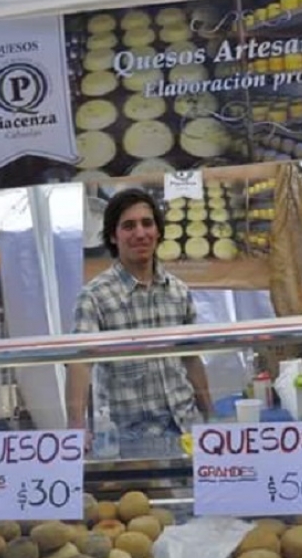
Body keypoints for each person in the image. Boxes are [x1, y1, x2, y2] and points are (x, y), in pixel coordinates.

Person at [65, 188, 213, 456]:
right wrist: (76, 427)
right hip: (130, 438)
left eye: (147, 223)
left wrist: (211, 418)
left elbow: (192, 358)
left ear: (158, 232)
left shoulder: (178, 291)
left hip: (186, 428)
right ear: (113, 235)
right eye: (128, 226)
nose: (140, 233)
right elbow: (79, 363)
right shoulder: (94, 296)